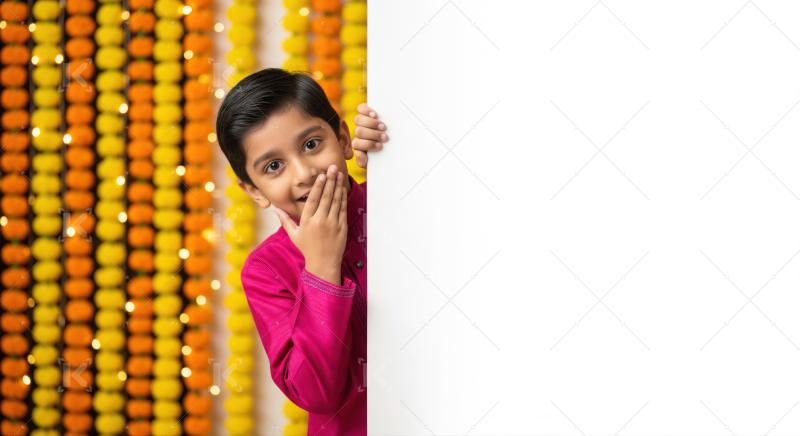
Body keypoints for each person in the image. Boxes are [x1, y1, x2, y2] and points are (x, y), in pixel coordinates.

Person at [215, 67, 388, 435]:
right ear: (255, 191)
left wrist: (400, 156)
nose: (303, 173)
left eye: (311, 145)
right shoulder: (265, 269)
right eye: (274, 166)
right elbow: (316, 394)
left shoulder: (393, 199)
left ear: (342, 139)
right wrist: (322, 268)